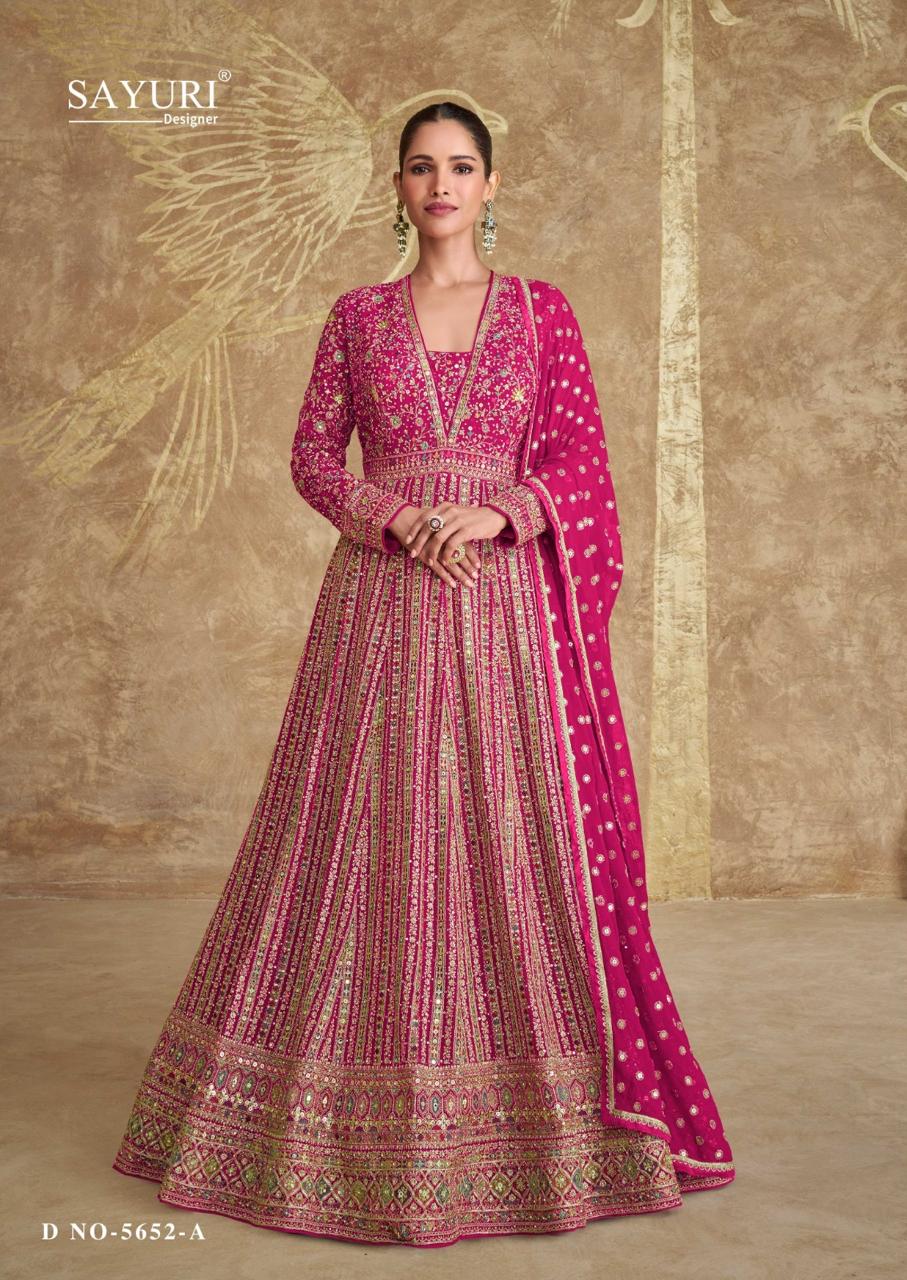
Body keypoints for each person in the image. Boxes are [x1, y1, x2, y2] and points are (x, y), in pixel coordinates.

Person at [112, 101, 735, 1247]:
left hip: (506, 613)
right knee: (364, 829)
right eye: (419, 167)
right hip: (381, 604)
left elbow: (582, 462)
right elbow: (311, 455)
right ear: (396, 189)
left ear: (490, 186)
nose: (440, 183)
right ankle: (336, 1109)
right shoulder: (356, 316)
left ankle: (547, 1121)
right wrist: (397, 517)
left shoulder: (542, 312)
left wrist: (499, 514)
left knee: (509, 829)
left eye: (459, 166)